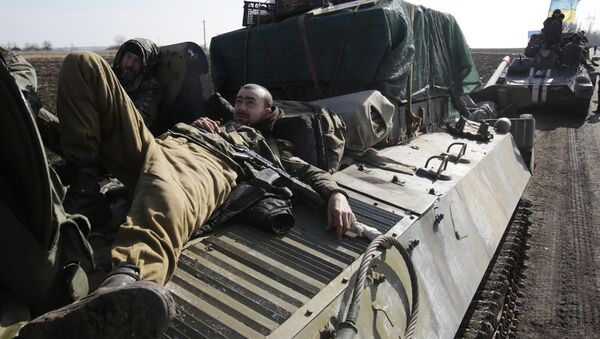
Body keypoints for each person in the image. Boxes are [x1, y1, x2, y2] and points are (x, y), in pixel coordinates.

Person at [19, 51, 355, 337]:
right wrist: (194, 127)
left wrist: (335, 195)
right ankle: (85, 189)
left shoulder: (271, 146)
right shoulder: (211, 122)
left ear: (267, 112)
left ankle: (122, 289)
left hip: (207, 163)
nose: (239, 106)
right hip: (163, 145)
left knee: (166, 197)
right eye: (237, 99)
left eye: (249, 102)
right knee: (84, 64)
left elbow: (308, 171)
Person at [61, 38, 161, 230]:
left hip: (126, 142)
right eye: (128, 57)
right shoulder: (111, 77)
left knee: (82, 61)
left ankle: (86, 193)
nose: (129, 64)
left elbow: (138, 122)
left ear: (144, 66)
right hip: (96, 139)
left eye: (136, 61)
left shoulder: (150, 88)